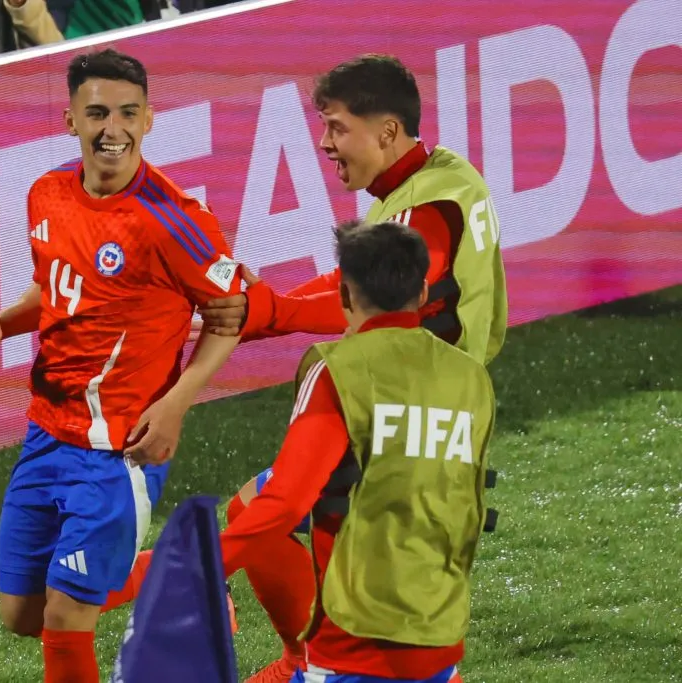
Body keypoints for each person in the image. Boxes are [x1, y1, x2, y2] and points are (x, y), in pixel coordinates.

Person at [199, 54, 508, 681]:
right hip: (438, 405)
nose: (324, 143)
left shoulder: (422, 210)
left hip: (397, 413)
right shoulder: (440, 179)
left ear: (387, 131)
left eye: (337, 127)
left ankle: (302, 660)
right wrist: (274, 309)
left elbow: (373, 291)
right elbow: (359, 279)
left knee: (269, 518)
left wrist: (271, 312)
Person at [0, 48, 242, 683]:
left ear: (150, 119)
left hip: (119, 447)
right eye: (98, 113)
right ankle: (180, 574)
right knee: (21, 613)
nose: (114, 129)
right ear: (70, 119)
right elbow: (53, 289)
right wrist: (0, 322)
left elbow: (228, 314)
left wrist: (175, 404)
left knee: (66, 616)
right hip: (47, 431)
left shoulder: (175, 219)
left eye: (129, 114)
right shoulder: (46, 193)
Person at [218, 219, 495, 683]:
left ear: (345, 296)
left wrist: (182, 566)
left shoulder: (336, 371)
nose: (328, 142)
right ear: (424, 294)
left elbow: (283, 505)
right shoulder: (472, 377)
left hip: (351, 658)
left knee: (259, 508)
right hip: (438, 637)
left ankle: (299, 659)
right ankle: (297, 656)